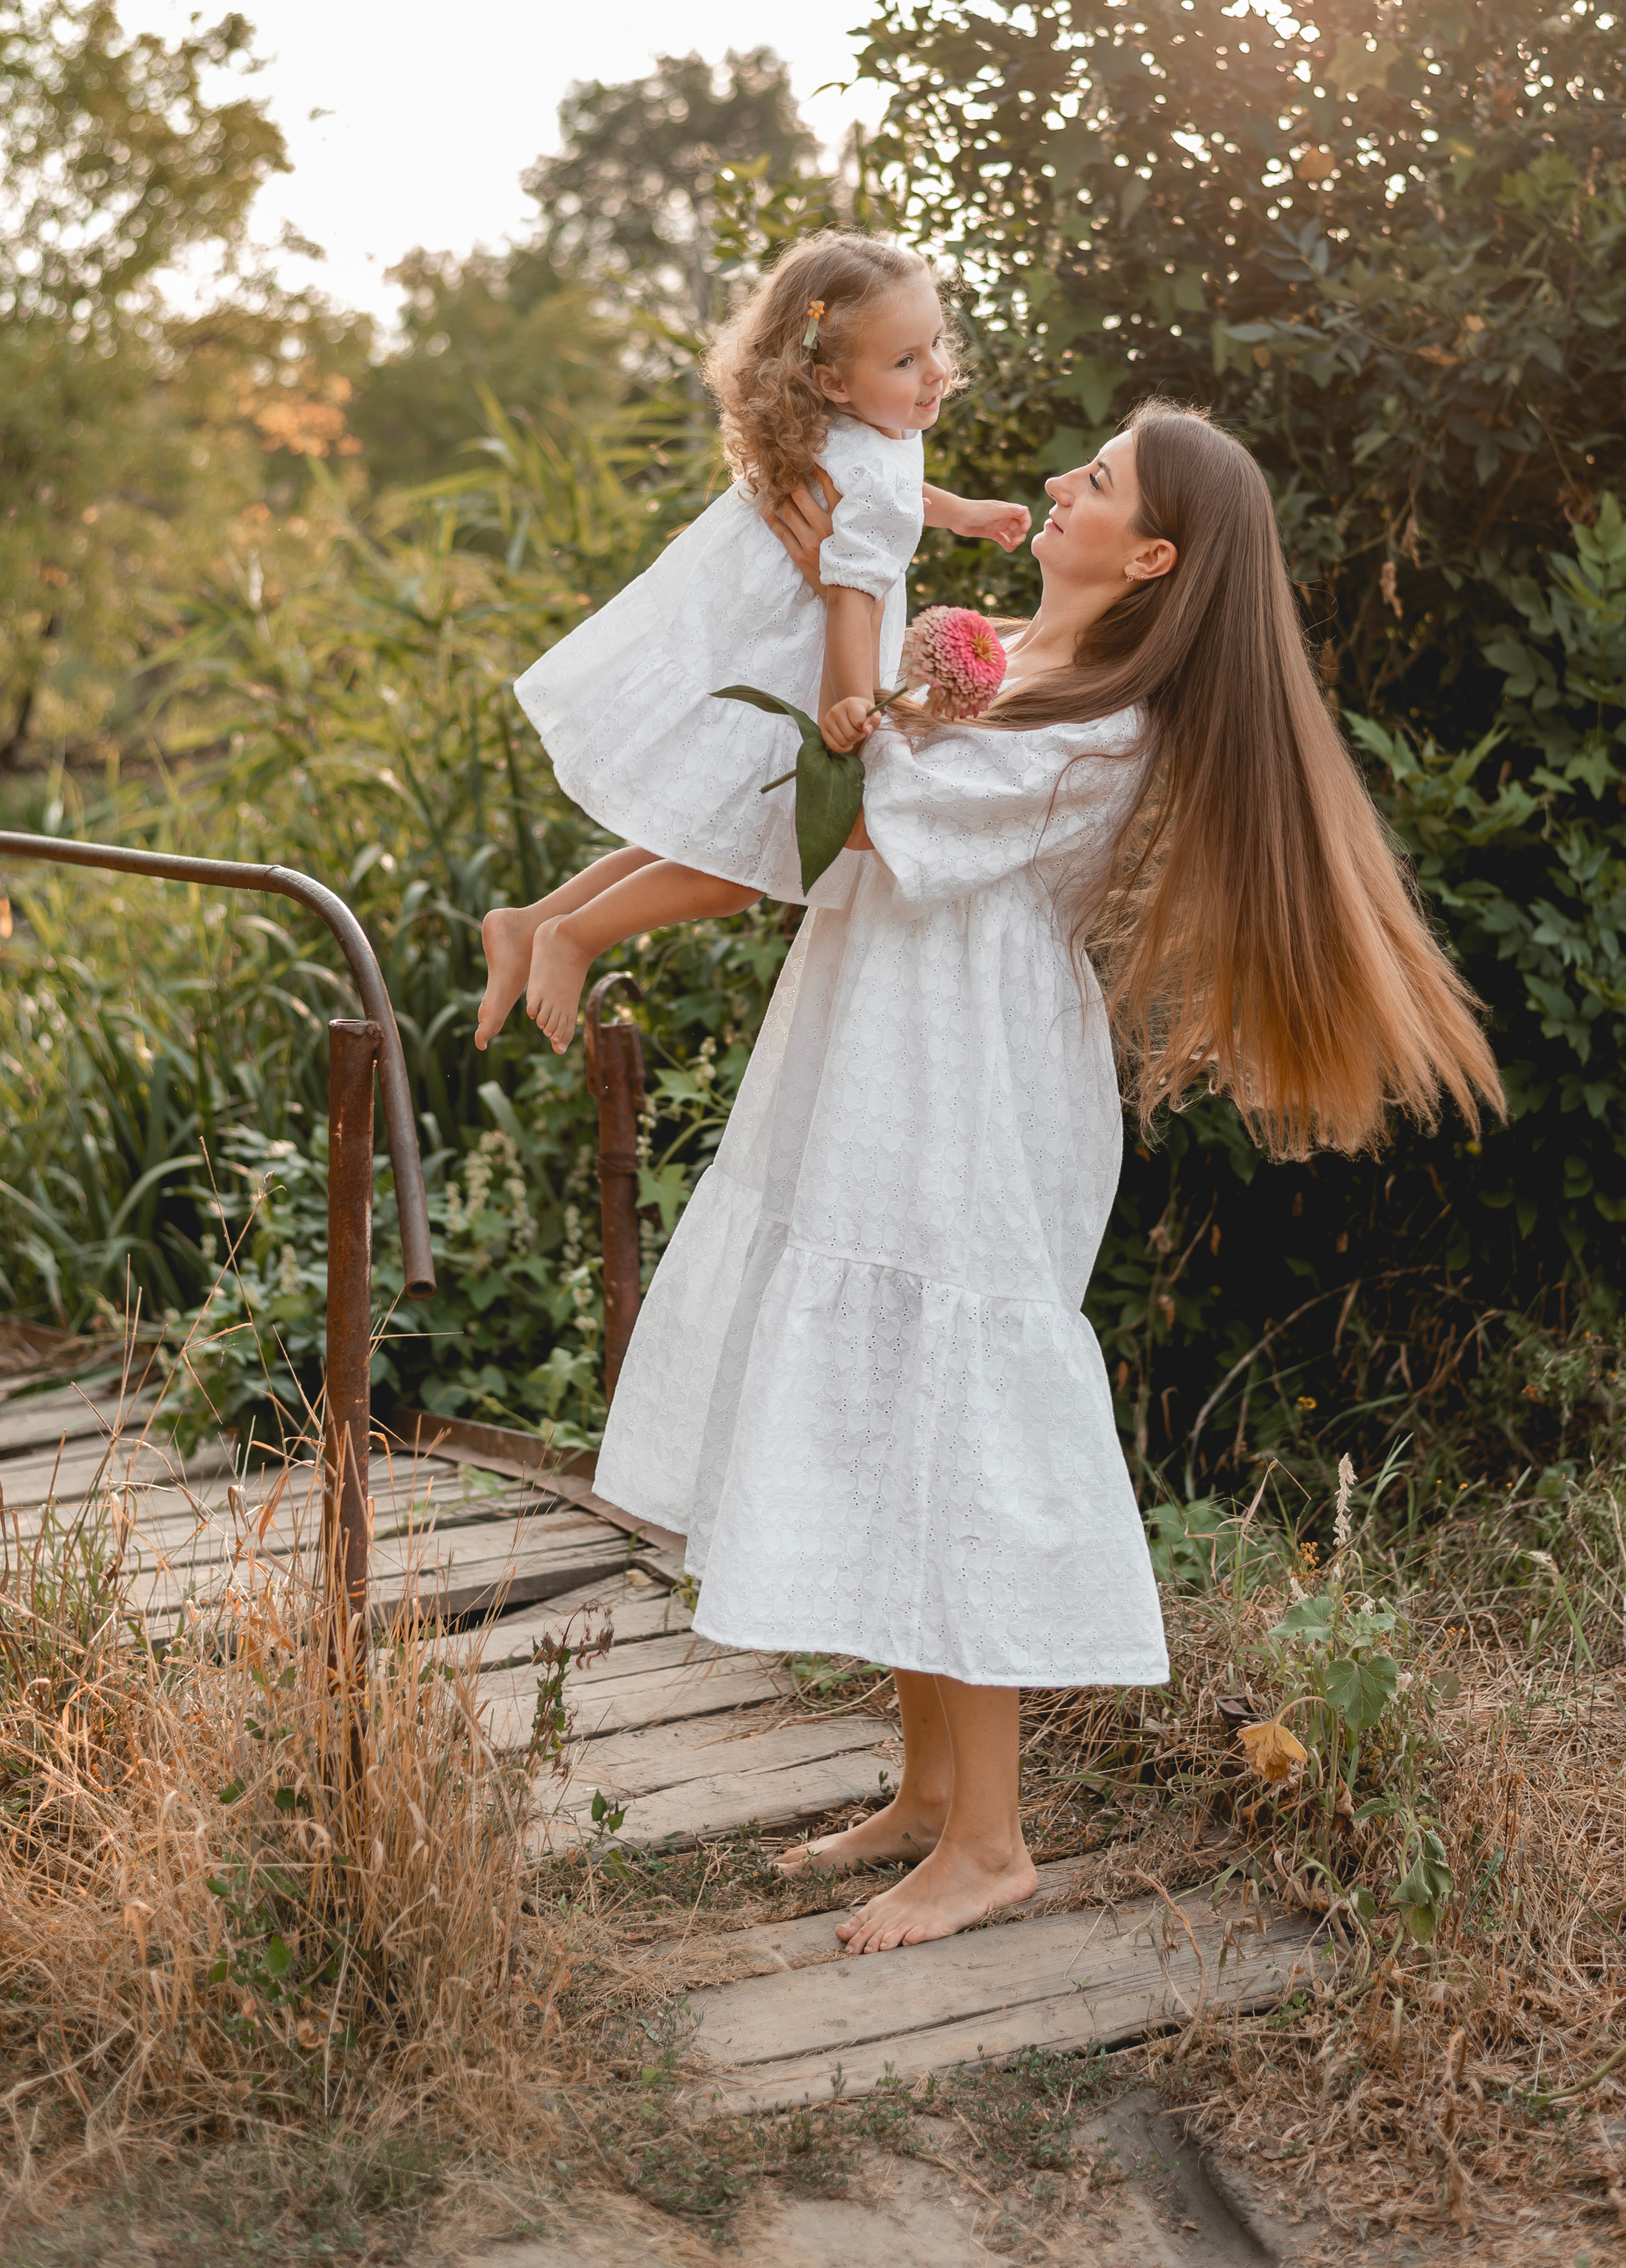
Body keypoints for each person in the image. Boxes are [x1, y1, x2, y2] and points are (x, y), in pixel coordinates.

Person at [591, 400, 1505, 1956]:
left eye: (1093, 484)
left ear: (1151, 555)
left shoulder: (1099, 721)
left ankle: (993, 1843)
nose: (1055, 488)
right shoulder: (1012, 664)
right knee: (888, 1394)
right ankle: (926, 1795)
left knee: (950, 1405)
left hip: (972, 1081)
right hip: (884, 1049)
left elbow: (855, 821)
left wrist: (839, 639)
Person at [473, 230, 1030, 1054]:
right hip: (788, 671)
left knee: (708, 843)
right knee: (734, 876)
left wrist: (965, 513)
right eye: (906, 360)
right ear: (833, 378)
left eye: (936, 345)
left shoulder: (852, 426)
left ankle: (533, 919)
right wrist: (847, 706)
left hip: (738, 641)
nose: (937, 371)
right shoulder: (871, 457)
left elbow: (896, 487)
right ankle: (576, 937)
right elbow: (852, 599)